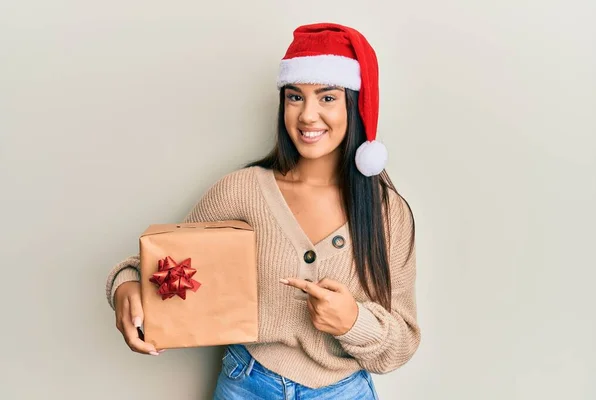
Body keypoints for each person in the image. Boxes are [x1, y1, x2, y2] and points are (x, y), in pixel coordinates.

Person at [105, 22, 420, 400]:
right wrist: (125, 285)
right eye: (294, 97)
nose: (306, 115)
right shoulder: (242, 191)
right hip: (246, 384)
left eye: (327, 97)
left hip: (344, 392)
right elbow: (154, 266)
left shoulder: (387, 213)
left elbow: (402, 341)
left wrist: (354, 322)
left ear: (354, 106)